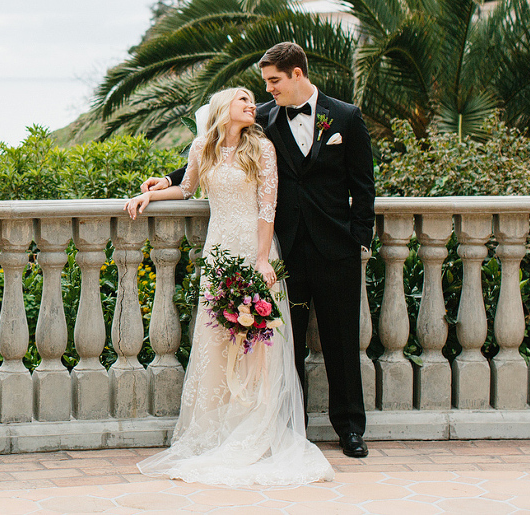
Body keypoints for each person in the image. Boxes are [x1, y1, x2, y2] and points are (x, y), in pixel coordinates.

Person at [143, 41, 374, 462]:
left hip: (335, 248)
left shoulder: (345, 117)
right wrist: (166, 180)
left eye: (273, 81)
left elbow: (364, 186)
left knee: (342, 341)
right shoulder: (263, 120)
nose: (267, 91)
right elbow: (214, 149)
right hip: (284, 252)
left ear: (297, 75)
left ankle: (350, 429)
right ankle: (290, 428)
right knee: (283, 346)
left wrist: (359, 241)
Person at [125, 86, 334, 486]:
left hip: (254, 249)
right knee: (218, 338)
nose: (252, 104)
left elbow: (267, 207)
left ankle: (256, 422)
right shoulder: (202, 147)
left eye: (253, 99)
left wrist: (260, 260)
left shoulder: (263, 148)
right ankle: (218, 424)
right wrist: (147, 195)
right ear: (223, 108)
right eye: (243, 99)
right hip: (218, 250)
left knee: (258, 342)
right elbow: (186, 188)